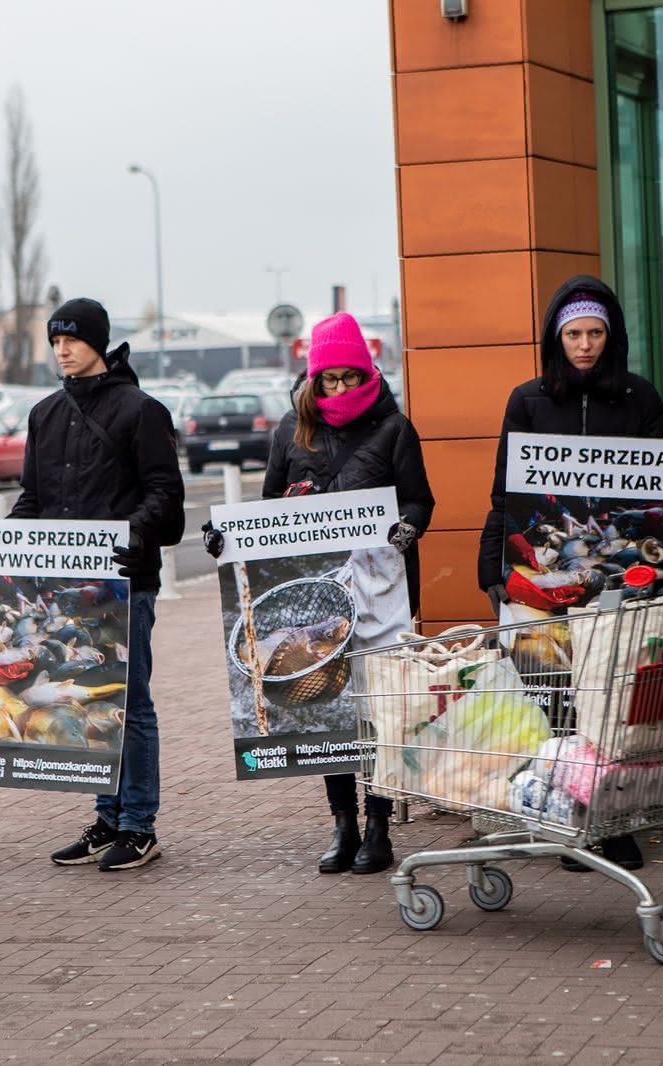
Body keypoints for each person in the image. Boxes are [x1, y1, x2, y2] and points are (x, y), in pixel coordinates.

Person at [0, 298, 185, 872]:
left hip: (124, 585)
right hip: (60, 589)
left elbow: (166, 500)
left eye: (74, 339)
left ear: (99, 344)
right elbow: (32, 502)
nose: (62, 349)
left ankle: (139, 825)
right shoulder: (44, 414)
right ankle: (107, 819)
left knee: (130, 703)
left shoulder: (141, 411)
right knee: (87, 703)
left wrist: (128, 536)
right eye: (55, 340)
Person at [204, 311, 434, 875]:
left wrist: (408, 528)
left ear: (366, 373)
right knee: (330, 705)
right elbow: (268, 511)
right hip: (316, 588)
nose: (338, 389)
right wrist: (225, 539)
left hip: (381, 587)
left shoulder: (394, 428)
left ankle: (379, 823)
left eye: (349, 378)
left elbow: (420, 500)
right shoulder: (291, 429)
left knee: (377, 706)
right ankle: (343, 823)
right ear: (313, 379)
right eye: (327, 379)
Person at [477, 275, 663, 873]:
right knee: (557, 697)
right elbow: (504, 493)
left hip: (619, 572)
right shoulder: (527, 399)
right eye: (573, 334)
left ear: (610, 338)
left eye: (594, 334)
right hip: (547, 571)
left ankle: (612, 823)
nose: (584, 345)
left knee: (609, 692)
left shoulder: (639, 396)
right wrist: (492, 567)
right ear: (555, 339)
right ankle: (568, 812)